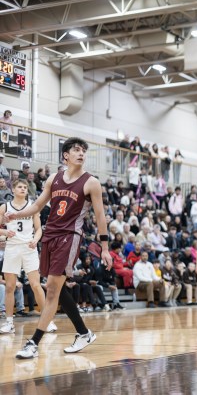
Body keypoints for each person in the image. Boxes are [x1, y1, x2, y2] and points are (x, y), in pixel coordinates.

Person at [6, 137, 113, 359]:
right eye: (76, 149)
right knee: (57, 288)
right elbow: (37, 205)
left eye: (83, 150)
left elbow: (100, 215)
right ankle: (83, 333)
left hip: (70, 237)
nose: (81, 153)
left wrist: (104, 247)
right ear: (65, 155)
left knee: (52, 289)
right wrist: (17, 214)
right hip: (50, 235)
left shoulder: (91, 182)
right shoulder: (53, 179)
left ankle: (33, 343)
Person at [0, 180, 58, 335]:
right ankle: (9, 323)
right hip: (12, 247)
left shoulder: (33, 207)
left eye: (25, 187)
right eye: (20, 186)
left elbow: (38, 229)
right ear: (13, 189)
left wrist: (35, 239)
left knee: (36, 285)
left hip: (28, 248)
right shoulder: (4, 207)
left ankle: (47, 322)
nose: (23, 189)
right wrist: (5, 233)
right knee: (10, 286)